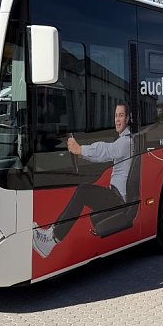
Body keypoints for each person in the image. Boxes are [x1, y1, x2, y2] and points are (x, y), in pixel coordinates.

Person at [33, 100, 133, 257]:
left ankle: (52, 239)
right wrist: (82, 153)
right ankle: (51, 233)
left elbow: (106, 150)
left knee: (83, 191)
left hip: (118, 199)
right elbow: (103, 156)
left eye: (121, 116)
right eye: (115, 116)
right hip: (114, 195)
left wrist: (80, 149)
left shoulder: (126, 142)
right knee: (84, 190)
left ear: (128, 119)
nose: (117, 120)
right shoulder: (123, 140)